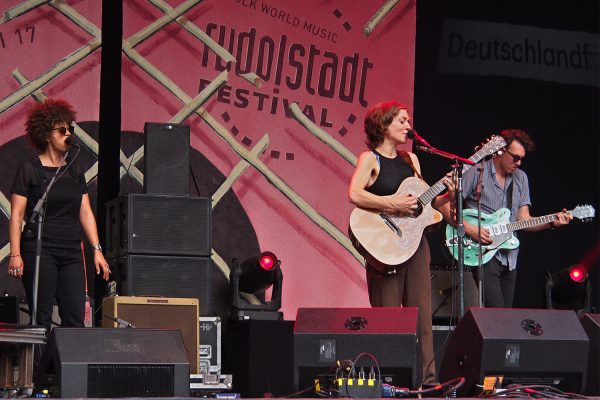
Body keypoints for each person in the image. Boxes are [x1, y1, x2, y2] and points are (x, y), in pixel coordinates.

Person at [348, 101, 454, 386]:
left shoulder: (411, 160)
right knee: (388, 319)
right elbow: (355, 194)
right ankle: (388, 384)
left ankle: (427, 384)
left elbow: (426, 205)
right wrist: (390, 203)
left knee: (422, 318)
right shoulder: (370, 159)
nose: (409, 126)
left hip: (415, 245)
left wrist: (448, 194)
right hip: (384, 246)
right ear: (384, 125)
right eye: (403, 120)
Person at [7, 99, 110, 329]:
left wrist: (97, 250)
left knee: (74, 317)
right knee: (41, 318)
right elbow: (17, 215)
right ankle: (41, 365)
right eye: (62, 130)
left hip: (72, 250)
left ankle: (67, 366)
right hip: (40, 248)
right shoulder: (30, 170)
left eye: (70, 129)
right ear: (46, 135)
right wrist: (15, 253)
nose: (68, 134)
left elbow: (85, 212)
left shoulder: (74, 169)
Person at [445, 128, 572, 308]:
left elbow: (523, 219)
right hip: (483, 253)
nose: (519, 163)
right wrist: (468, 228)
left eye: (522, 158)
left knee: (506, 319)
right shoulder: (476, 172)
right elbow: (443, 205)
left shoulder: (521, 178)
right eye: (515, 157)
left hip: (510, 257)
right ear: (500, 152)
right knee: (497, 315)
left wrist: (551, 222)